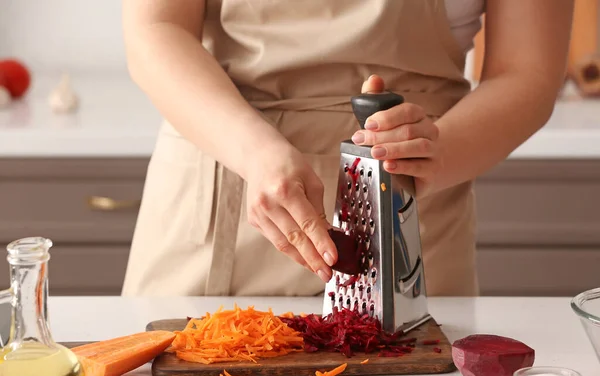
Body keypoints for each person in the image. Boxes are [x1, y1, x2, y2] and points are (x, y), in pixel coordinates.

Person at [120, 0, 573, 297]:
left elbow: (527, 72)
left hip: (410, 216)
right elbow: (154, 30)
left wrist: (438, 153)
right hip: (224, 183)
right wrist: (255, 153)